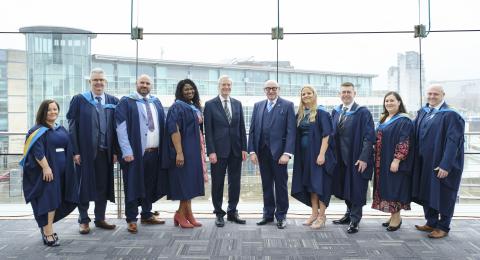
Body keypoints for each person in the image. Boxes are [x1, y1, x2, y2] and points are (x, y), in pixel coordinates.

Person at [66, 68, 119, 234]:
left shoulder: (113, 101)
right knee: (84, 186)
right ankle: (83, 220)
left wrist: (116, 151)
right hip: (85, 153)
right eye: (95, 80)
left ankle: (100, 218)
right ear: (90, 82)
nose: (98, 83)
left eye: (101, 80)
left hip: (106, 152)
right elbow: (72, 127)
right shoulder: (79, 100)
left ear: (106, 82)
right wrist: (75, 151)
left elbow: (118, 129)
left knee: (102, 186)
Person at [20, 100, 78, 246]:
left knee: (58, 200)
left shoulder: (60, 129)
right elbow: (37, 151)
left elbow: (68, 146)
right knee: (50, 201)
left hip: (63, 172)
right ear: (43, 112)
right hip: (47, 173)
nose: (53, 112)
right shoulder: (36, 131)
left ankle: (46, 227)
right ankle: (48, 232)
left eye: (55, 109)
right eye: (49, 110)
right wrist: (46, 167)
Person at [115, 74, 168, 234]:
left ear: (151, 85)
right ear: (136, 84)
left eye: (147, 83)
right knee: (132, 185)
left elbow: (163, 125)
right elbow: (121, 128)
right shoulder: (126, 102)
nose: (144, 85)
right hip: (135, 154)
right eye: (141, 83)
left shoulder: (156, 102)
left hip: (154, 152)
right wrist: (126, 151)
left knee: (150, 185)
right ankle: (131, 219)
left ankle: (146, 214)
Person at [412, 85, 465, 239]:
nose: (432, 96)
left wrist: (446, 164)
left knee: (445, 194)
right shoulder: (423, 112)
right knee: (427, 192)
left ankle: (443, 227)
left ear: (443, 95)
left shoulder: (451, 115)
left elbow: (453, 141)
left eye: (436, 94)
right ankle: (431, 222)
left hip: (442, 163)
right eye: (430, 93)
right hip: (425, 162)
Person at [248, 80, 296, 229]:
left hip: (280, 155)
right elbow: (253, 130)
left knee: (281, 186)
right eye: (268, 88)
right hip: (262, 153)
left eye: (274, 88)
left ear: (278, 89)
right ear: (264, 90)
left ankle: (281, 216)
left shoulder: (287, 105)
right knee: (266, 185)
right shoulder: (258, 106)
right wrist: (252, 151)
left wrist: (287, 153)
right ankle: (268, 214)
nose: (271, 91)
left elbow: (291, 132)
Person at [331, 82, 375, 234]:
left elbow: (369, 137)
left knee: (356, 189)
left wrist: (364, 158)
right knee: (345, 188)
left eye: (349, 92)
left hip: (356, 158)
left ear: (354, 93)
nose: (346, 94)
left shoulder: (363, 112)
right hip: (340, 159)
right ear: (340, 94)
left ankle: (355, 220)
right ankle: (349, 215)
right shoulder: (336, 111)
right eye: (343, 92)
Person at [204, 75, 248, 227]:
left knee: (235, 183)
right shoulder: (210, 105)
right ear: (219, 86)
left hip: (236, 150)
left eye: (229, 85)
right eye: (224, 85)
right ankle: (218, 213)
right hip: (218, 151)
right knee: (217, 183)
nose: (226, 87)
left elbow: (241, 127)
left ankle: (232, 211)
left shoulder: (237, 104)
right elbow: (208, 131)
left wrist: (244, 148)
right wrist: (211, 151)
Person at [164, 79, 208, 228]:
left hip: (195, 150)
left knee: (190, 183)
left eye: (192, 89)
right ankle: (180, 214)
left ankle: (188, 214)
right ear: (180, 92)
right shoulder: (177, 106)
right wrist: (179, 152)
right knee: (185, 183)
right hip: (184, 150)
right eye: (186, 89)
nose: (190, 92)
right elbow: (173, 129)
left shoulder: (194, 107)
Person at [291, 85, 336, 229]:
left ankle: (322, 216)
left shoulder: (321, 113)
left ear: (314, 95)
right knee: (311, 185)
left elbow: (327, 134)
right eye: (303, 94)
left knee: (320, 184)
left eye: (309, 93)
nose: (306, 96)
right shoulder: (300, 114)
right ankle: (314, 213)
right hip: (304, 157)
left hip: (318, 156)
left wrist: (322, 154)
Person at [371, 91, 414, 232]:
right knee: (386, 187)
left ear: (399, 102)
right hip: (382, 160)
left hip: (393, 161)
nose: (389, 103)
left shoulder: (404, 120)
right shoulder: (385, 118)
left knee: (395, 187)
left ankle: (397, 218)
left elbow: (404, 141)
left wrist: (397, 160)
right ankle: (392, 215)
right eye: (387, 101)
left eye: (392, 100)